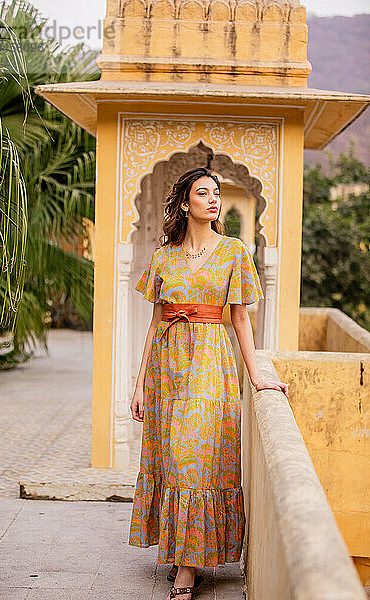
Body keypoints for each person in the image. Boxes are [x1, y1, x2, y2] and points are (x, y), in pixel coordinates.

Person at [129, 167, 289, 600]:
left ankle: (186, 571)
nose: (214, 199)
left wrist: (256, 376)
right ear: (185, 204)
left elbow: (240, 317)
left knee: (192, 457)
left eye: (217, 193)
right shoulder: (164, 257)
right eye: (203, 193)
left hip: (210, 364)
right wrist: (141, 382)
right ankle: (186, 556)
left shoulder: (234, 251)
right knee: (172, 459)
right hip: (167, 367)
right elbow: (156, 320)